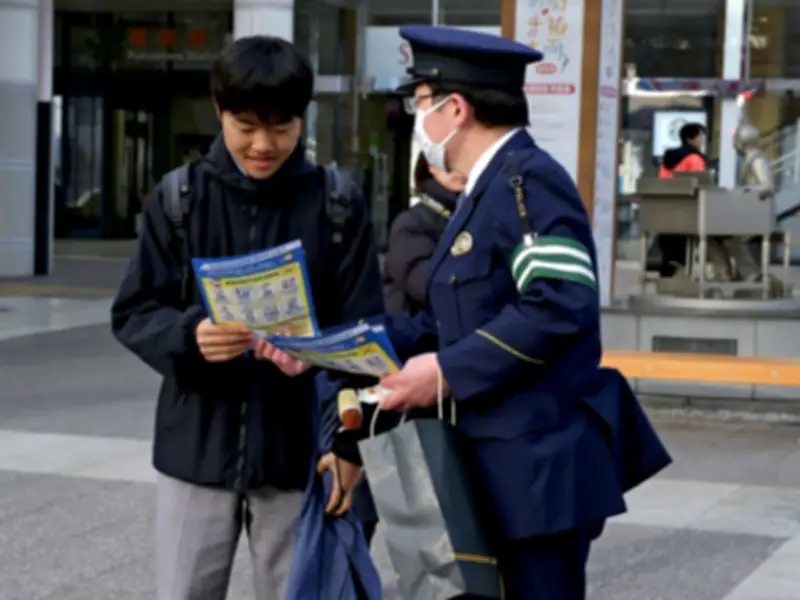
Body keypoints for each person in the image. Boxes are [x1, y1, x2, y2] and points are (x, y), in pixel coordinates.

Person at [257, 25, 672, 600]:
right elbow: (444, 325)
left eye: (421, 102)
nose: (417, 119)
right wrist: (324, 348)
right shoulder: (484, 191)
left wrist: (446, 373)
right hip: (493, 470)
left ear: (456, 109)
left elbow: (559, 304)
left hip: (537, 477)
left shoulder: (528, 181)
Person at [110, 35, 383, 600]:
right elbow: (134, 310)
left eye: (282, 127)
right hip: (195, 450)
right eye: (246, 126)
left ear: (303, 118)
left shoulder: (336, 205)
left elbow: (364, 335)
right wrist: (190, 336)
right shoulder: (179, 199)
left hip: (299, 454)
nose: (263, 144)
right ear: (219, 110)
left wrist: (348, 443)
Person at [354, 152, 465, 546]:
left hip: (441, 376)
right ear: (432, 168)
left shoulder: (471, 215)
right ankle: (350, 571)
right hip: (402, 372)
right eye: (454, 162)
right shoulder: (413, 222)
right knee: (376, 487)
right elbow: (429, 286)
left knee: (425, 499)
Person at [384, 152, 466, 314]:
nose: (461, 170)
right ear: (431, 168)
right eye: (450, 164)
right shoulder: (411, 222)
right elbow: (425, 284)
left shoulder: (467, 213)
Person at [657, 122, 707, 277]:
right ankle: (681, 274)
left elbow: (662, 181)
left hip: (666, 210)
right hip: (686, 210)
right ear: (690, 139)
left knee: (670, 247)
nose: (702, 139)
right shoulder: (694, 158)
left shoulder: (667, 159)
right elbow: (700, 185)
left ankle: (667, 273)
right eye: (700, 135)